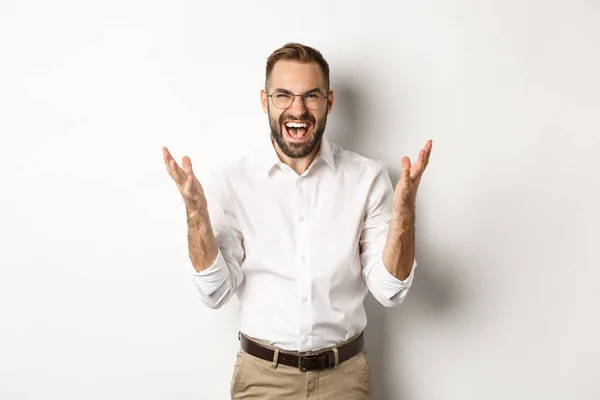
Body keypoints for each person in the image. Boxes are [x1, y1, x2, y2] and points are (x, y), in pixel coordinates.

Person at [162, 43, 432, 399]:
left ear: (329, 102)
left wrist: (404, 218)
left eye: (311, 96)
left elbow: (389, 291)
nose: (298, 109)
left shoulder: (367, 177)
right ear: (265, 101)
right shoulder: (232, 181)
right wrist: (196, 215)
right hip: (262, 380)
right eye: (283, 95)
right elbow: (215, 292)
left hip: (345, 380)